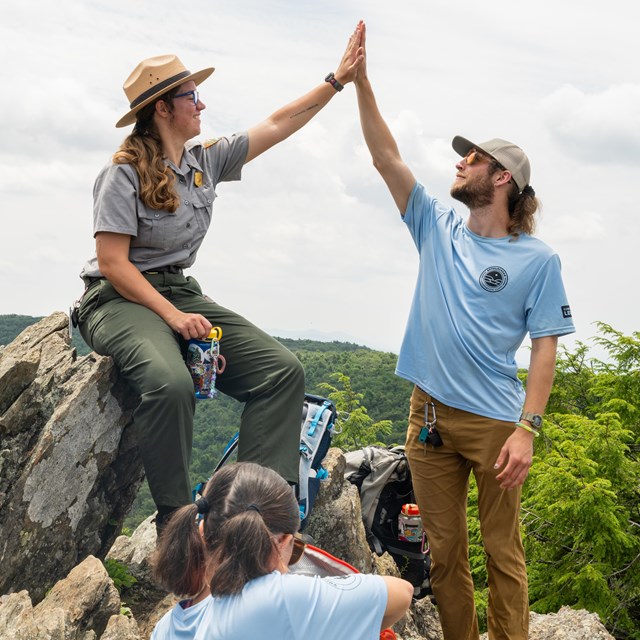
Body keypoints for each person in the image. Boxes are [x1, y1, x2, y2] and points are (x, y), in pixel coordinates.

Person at [75, 27, 365, 535]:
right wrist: (174, 319)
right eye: (191, 96)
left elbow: (277, 124)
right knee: (170, 384)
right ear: (163, 108)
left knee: (282, 372)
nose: (202, 104)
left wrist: (336, 81)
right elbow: (115, 263)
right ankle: (177, 524)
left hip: (178, 289)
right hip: (116, 298)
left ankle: (250, 520)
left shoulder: (204, 161)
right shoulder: (121, 173)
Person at [352, 23, 575, 640]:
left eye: (473, 157)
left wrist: (528, 429)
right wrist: (361, 83)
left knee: (503, 555)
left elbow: (545, 347)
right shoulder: (436, 227)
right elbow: (385, 157)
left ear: (502, 177)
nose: (461, 162)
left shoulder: (539, 260)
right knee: (444, 557)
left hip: (496, 424)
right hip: (427, 417)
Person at [151, 461, 413, 639]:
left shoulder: (164, 629)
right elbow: (401, 594)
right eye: (296, 549)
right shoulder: (276, 598)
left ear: (200, 532)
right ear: (284, 543)